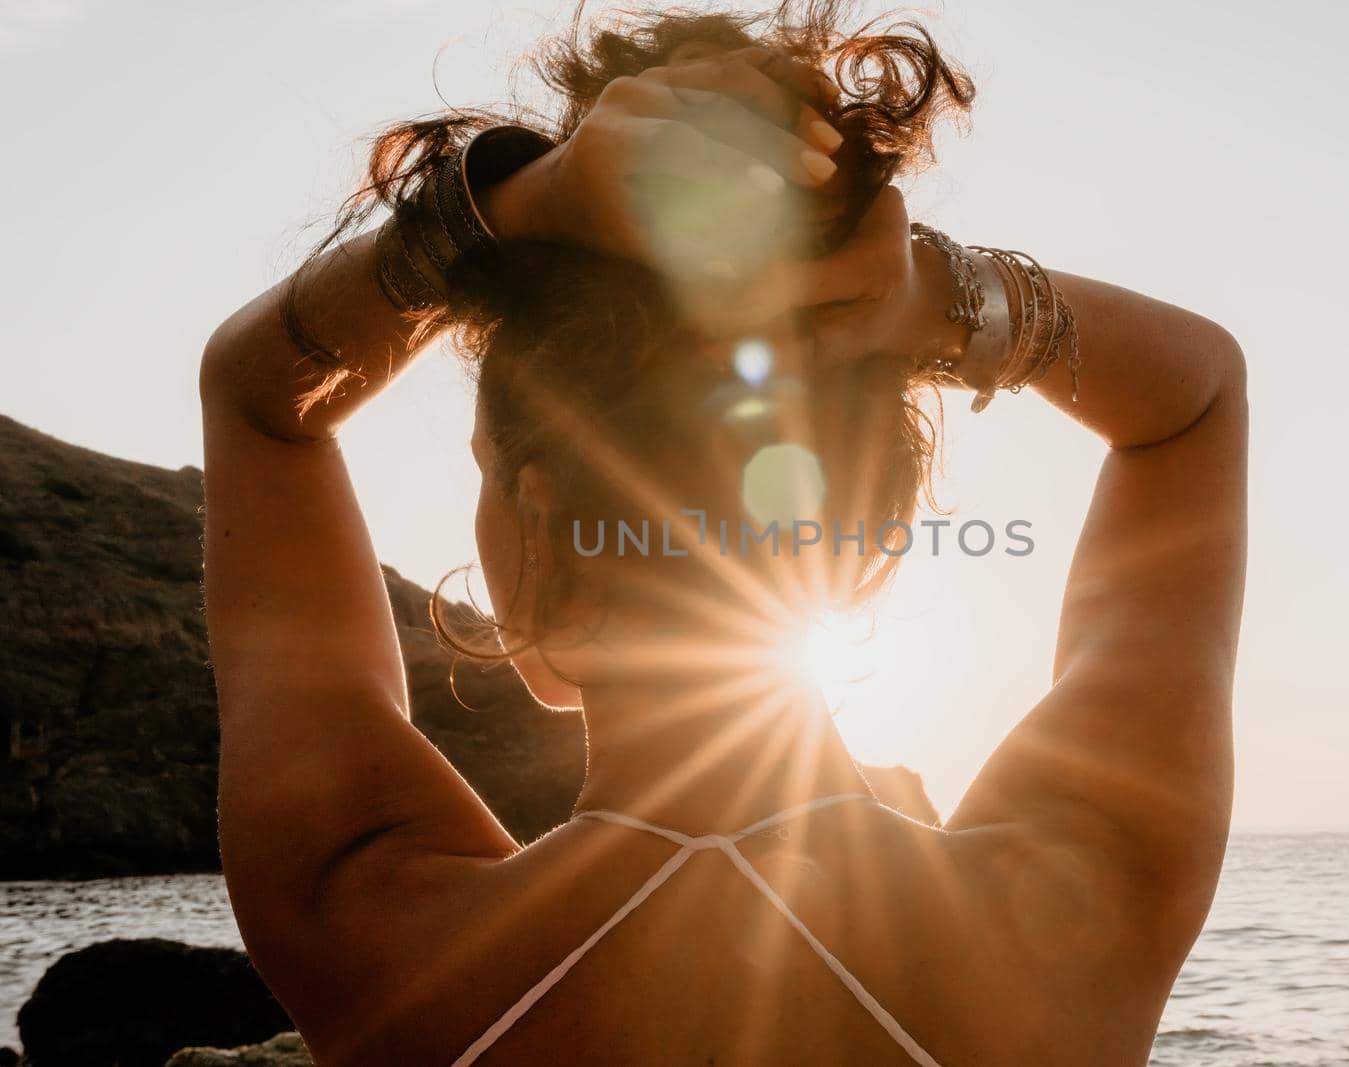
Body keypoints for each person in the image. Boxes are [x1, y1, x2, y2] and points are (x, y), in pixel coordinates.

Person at [198, 4, 1247, 1064]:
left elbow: (259, 401)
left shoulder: (374, 931)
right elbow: (1193, 398)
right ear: (871, 523)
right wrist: (933, 298)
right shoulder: (1077, 912)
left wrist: (509, 208)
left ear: (542, 509)